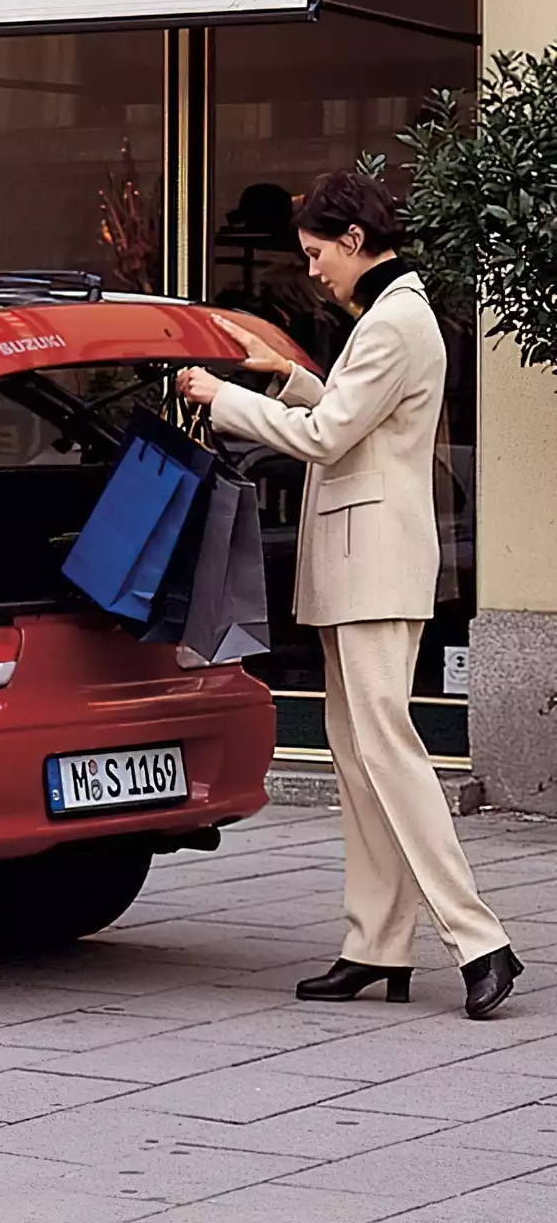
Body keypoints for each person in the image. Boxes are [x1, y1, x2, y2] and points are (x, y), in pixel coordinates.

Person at [178, 171, 522, 1020]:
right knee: (360, 760)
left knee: (387, 754)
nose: (312, 269)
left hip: (373, 565)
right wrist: (285, 376)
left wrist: (225, 399)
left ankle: (479, 940)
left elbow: (330, 437)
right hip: (361, 563)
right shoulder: (394, 315)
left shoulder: (394, 320)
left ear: (355, 241)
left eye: (316, 253)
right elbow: (351, 416)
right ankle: (376, 945)